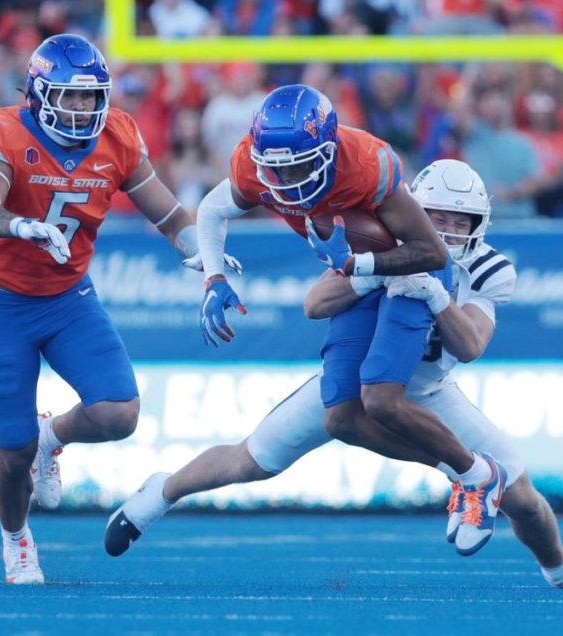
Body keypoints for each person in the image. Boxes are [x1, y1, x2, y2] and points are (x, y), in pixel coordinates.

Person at [105, 159, 563, 590]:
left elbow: (470, 344)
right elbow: (316, 303)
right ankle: (161, 493)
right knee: (252, 460)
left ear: (480, 226)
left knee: (521, 494)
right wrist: (375, 273)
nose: (447, 231)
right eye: (437, 217)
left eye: (459, 221)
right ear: (414, 215)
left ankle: (561, 569)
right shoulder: (381, 241)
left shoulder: (491, 268)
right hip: (360, 381)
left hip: (429, 387)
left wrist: (434, 295)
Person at [195, 85, 507, 555]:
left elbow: (430, 251)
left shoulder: (368, 164)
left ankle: (476, 476)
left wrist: (357, 264)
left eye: (299, 162)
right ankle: (470, 473)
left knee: (380, 400)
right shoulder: (251, 163)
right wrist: (214, 277)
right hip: (355, 270)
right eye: (275, 164)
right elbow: (212, 209)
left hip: (407, 268)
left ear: (328, 149)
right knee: (341, 417)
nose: (287, 175)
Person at [0, 34, 215, 584]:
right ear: (38, 94)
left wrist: (203, 256)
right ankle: (16, 538)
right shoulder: (7, 132)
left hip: (68, 298)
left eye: (89, 97)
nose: (82, 109)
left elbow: (170, 216)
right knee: (10, 453)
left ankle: (51, 438)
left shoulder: (118, 136)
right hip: (0, 303)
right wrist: (20, 225)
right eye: (69, 97)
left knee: (118, 412)